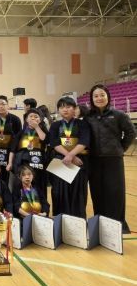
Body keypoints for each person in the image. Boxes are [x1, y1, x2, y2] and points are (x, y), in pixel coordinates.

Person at [86, 84, 135, 232]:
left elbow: (131, 133)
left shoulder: (119, 114)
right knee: (97, 192)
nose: (99, 98)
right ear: (92, 99)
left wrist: (120, 148)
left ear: (108, 96)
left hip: (113, 160)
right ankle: (100, 223)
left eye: (102, 95)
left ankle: (118, 224)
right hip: (94, 160)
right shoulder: (88, 117)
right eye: (96, 96)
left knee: (115, 193)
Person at [49, 96, 90, 219]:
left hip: (79, 161)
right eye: (62, 107)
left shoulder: (82, 124)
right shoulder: (55, 125)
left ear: (75, 109)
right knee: (59, 193)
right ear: (58, 110)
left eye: (68, 107)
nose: (65, 110)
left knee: (78, 193)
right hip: (60, 161)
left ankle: (78, 221)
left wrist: (72, 155)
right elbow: (54, 143)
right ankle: (59, 220)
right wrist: (69, 156)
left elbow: (84, 141)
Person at [9, 108, 49, 194]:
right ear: (26, 119)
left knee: (39, 185)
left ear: (40, 119)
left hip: (38, 162)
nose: (33, 118)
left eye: (36, 116)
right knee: (22, 184)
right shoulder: (21, 132)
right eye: (31, 116)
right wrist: (10, 163)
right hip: (23, 161)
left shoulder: (43, 131)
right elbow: (13, 149)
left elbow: (45, 139)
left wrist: (37, 127)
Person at [0, 95, 22, 182]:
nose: (1, 106)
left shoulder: (15, 119)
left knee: (9, 176)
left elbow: (18, 138)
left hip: (10, 152)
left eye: (3, 104)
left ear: (8, 105)